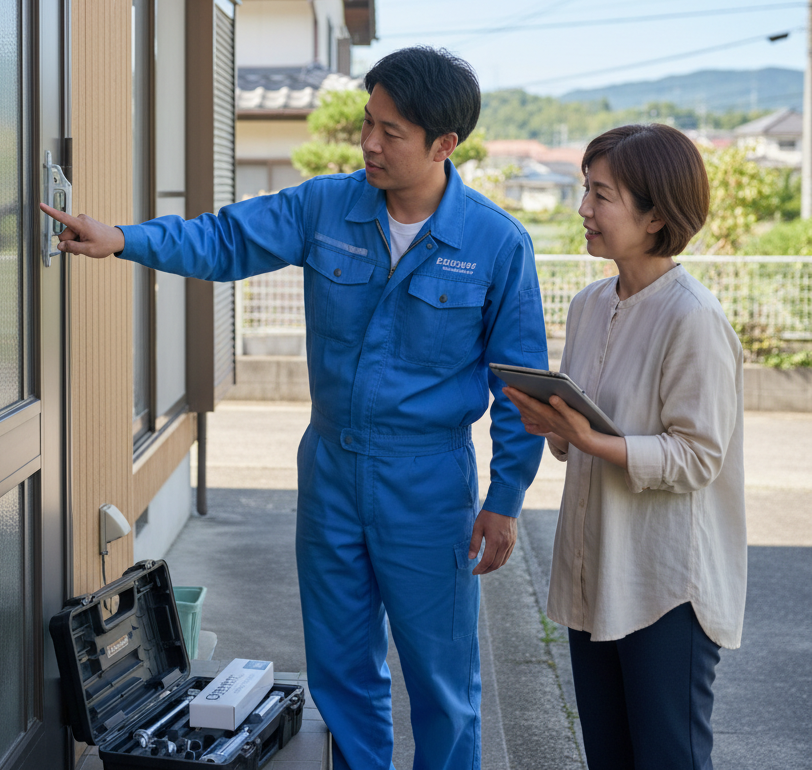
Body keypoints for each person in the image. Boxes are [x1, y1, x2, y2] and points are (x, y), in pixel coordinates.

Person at [42, 46, 548, 770]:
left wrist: (505, 497)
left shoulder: (496, 244)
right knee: (342, 674)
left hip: (428, 485)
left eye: (392, 132)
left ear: (444, 145)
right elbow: (225, 239)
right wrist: (122, 240)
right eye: (368, 123)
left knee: (442, 683)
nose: (370, 143)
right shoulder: (325, 205)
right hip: (332, 472)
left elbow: (520, 387)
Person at [503, 124, 745, 770]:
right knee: (607, 759)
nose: (583, 209)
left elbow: (697, 456)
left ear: (657, 214)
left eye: (601, 195)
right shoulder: (588, 305)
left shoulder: (693, 317)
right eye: (586, 190)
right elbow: (582, 436)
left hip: (666, 588)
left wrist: (590, 440)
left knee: (669, 759)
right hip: (594, 574)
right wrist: (559, 432)